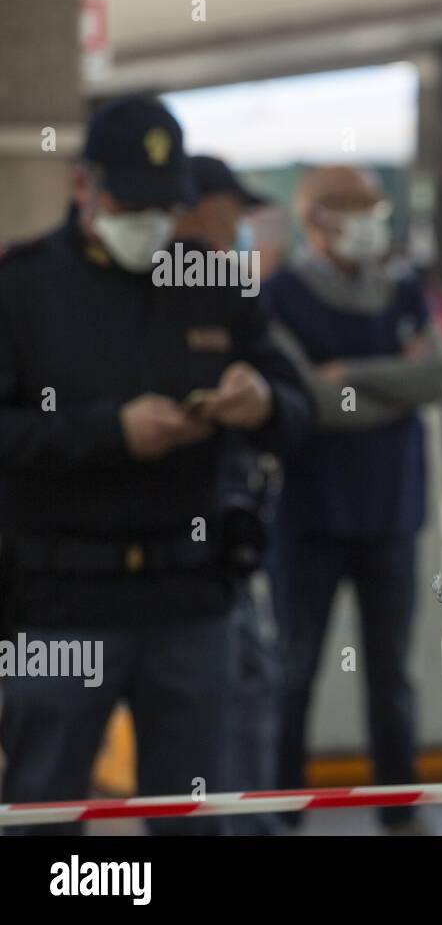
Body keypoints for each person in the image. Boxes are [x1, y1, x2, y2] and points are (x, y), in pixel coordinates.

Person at [0, 97, 311, 835]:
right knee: (43, 807)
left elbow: (301, 409)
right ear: (85, 186)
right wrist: (108, 433)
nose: (152, 225)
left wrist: (263, 399)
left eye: (164, 208)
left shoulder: (215, 279)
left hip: (191, 601)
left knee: (195, 815)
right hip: (59, 604)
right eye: (131, 203)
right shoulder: (21, 287)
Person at [263, 165, 442, 835]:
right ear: (317, 220)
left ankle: (398, 810)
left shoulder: (401, 291)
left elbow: (436, 375)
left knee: (391, 675)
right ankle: (280, 811)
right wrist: (385, 393)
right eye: (357, 211)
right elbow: (302, 397)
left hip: (389, 514)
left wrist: (350, 377)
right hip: (309, 518)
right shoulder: (278, 295)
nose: (374, 224)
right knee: (293, 671)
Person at [175, 153, 286, 835]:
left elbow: (297, 394)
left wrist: (265, 398)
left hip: (224, 543)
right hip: (153, 555)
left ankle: (252, 824)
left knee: (249, 685)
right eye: (230, 210)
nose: (239, 226)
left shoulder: (232, 292)